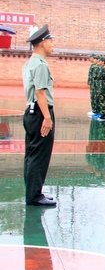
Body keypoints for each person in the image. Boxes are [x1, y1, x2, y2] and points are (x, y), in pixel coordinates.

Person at [22, 24, 56, 207]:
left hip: (31, 111)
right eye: (50, 41)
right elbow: (40, 92)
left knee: (31, 154)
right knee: (39, 156)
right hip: (40, 113)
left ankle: (33, 192)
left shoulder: (30, 62)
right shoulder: (40, 65)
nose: (52, 44)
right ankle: (34, 196)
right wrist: (47, 118)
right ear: (42, 42)